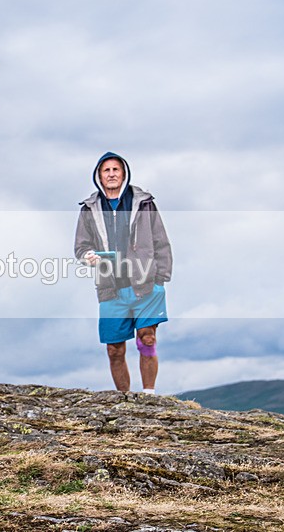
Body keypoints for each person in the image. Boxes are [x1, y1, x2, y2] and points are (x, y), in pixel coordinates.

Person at [74, 152, 173, 394]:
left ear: (124, 173)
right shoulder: (89, 208)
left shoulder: (144, 202)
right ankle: (125, 400)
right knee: (114, 349)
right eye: (106, 170)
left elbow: (161, 241)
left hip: (146, 283)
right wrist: (87, 256)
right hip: (110, 286)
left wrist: (160, 277)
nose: (111, 174)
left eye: (115, 170)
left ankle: (149, 395)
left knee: (147, 339)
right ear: (98, 176)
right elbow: (81, 246)